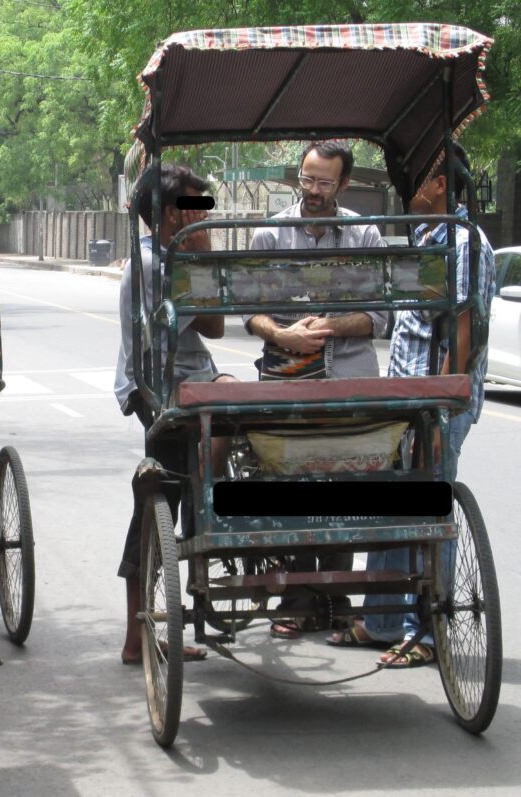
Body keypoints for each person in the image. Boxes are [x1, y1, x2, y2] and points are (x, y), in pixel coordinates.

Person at [329, 142, 495, 667]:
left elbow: (462, 332)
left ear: (441, 185)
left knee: (428, 510)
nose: (407, 190)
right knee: (390, 502)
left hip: (435, 403)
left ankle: (427, 632)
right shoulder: (429, 237)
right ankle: (382, 620)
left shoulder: (463, 243)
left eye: (417, 179)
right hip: (406, 400)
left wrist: (437, 408)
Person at [243, 140, 387, 639]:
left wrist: (328, 326)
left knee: (347, 487)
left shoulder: (364, 234)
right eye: (307, 179)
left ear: (343, 184)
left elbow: (380, 316)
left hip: (348, 375)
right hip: (286, 376)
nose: (314, 191)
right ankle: (299, 596)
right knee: (292, 483)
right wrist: (282, 334)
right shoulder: (270, 234)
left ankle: (336, 595)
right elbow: (249, 310)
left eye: (325, 182)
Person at [115, 163, 237, 664]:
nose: (203, 218)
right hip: (157, 388)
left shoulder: (172, 257)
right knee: (157, 499)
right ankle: (137, 633)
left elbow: (214, 332)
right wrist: (204, 255)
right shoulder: (153, 265)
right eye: (195, 208)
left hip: (192, 378)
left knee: (234, 411)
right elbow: (213, 322)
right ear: (170, 216)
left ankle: (201, 518)